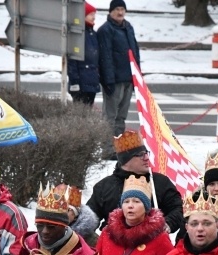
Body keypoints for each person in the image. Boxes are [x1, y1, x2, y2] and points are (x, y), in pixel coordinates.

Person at [87, 130, 184, 232]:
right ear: (126, 160)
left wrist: (166, 225)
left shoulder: (160, 182)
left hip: (151, 243)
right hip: (114, 244)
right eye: (141, 154)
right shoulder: (104, 187)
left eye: (146, 153)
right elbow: (90, 219)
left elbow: (179, 209)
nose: (147, 158)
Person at [97, 0, 140, 140]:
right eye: (117, 9)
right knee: (110, 117)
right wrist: (108, 80)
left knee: (121, 117)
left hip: (128, 78)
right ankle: (108, 149)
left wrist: (137, 76)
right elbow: (105, 57)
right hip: (114, 80)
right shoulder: (105, 30)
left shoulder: (128, 27)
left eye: (122, 9)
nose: (120, 12)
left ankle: (120, 148)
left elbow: (135, 52)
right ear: (110, 11)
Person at [68, 3, 99, 106]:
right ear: (83, 15)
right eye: (91, 14)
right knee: (80, 115)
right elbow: (72, 60)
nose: (94, 17)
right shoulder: (77, 35)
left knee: (87, 113)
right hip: (80, 84)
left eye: (94, 14)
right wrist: (75, 82)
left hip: (91, 84)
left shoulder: (93, 34)